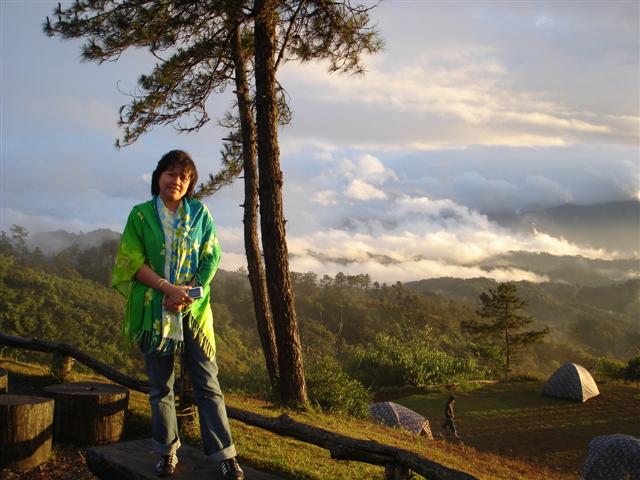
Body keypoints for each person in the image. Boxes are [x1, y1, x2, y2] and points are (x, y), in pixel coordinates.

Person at [112, 150, 244, 479]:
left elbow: (211, 256)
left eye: (184, 177)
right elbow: (131, 261)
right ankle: (166, 451)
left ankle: (225, 455)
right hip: (154, 310)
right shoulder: (141, 215)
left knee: (207, 384)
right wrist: (167, 289)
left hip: (192, 311)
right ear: (159, 177)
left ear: (190, 184)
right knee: (160, 387)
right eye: (171, 174)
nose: (177, 181)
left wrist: (185, 295)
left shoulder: (199, 214)